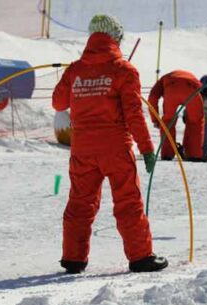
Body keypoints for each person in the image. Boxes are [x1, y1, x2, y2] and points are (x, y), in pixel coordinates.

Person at [51, 14, 167, 274]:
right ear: (116, 38)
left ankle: (73, 259)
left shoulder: (75, 69)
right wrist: (147, 148)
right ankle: (140, 257)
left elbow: (58, 103)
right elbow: (134, 115)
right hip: (115, 148)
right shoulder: (123, 70)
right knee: (127, 201)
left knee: (80, 203)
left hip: (82, 150)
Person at [148, 69, 205, 161]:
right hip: (191, 88)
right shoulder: (189, 75)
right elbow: (200, 89)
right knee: (196, 122)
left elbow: (152, 98)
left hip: (171, 87)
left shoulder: (162, 80)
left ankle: (167, 154)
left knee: (168, 122)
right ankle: (193, 154)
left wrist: (155, 119)